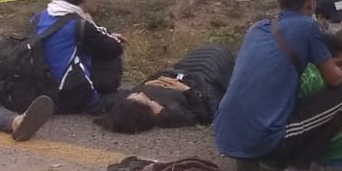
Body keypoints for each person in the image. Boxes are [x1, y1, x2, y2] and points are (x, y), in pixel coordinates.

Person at [213, 0, 342, 171]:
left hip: (225, 131)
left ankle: (249, 159)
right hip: (262, 137)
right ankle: (299, 168)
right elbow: (334, 79)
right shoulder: (307, 26)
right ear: (311, 2)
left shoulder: (258, 28)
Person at [34, 0, 126, 114]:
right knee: (138, 98)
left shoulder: (38, 18)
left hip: (40, 88)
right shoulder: (79, 25)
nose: (100, 0)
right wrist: (92, 24)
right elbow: (115, 47)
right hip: (72, 96)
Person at [93, 45, 236, 134]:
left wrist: (150, 81)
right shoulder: (169, 113)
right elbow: (203, 115)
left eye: (136, 93)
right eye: (144, 97)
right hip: (204, 78)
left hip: (182, 69)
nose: (140, 92)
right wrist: (186, 90)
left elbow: (102, 101)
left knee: (206, 50)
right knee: (220, 55)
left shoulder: (127, 102)